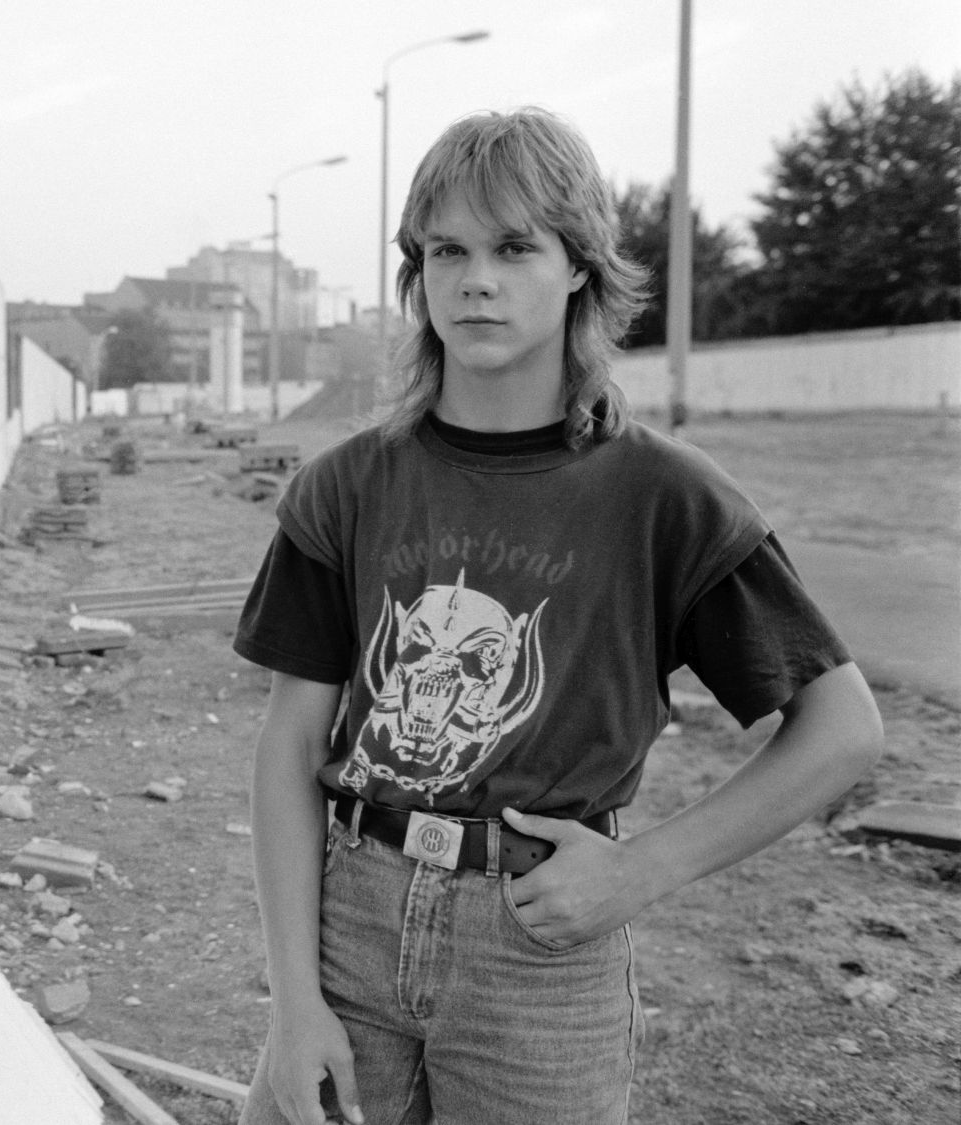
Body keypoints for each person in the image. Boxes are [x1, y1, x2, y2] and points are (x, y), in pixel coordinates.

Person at [233, 107, 884, 1125]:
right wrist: (292, 1001)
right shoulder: (344, 489)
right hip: (348, 920)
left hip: (540, 950)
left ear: (577, 265)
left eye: (511, 247)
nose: (474, 279)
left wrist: (641, 872)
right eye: (444, 249)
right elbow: (288, 745)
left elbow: (841, 730)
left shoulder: (663, 497)